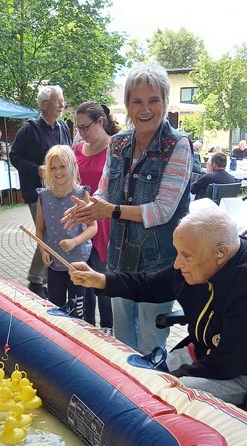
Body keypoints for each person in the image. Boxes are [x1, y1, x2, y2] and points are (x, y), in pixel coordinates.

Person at [71, 206, 247, 405]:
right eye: (177, 253)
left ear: (221, 253)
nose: (177, 264)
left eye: (186, 256)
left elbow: (228, 363)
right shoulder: (202, 260)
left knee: (162, 395)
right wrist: (100, 279)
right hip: (205, 355)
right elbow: (150, 284)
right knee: (137, 376)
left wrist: (169, 378)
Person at [62, 65, 193, 354]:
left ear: (165, 102)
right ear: (127, 105)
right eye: (137, 101)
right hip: (119, 258)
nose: (145, 109)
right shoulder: (118, 143)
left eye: (153, 100)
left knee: (149, 342)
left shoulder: (178, 145)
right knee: (121, 341)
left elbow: (162, 211)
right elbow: (104, 190)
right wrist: (91, 205)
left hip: (158, 265)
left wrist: (109, 210)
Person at [9, 85, 72, 297]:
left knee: (53, 232)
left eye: (62, 100)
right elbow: (14, 157)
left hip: (61, 191)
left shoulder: (63, 128)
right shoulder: (29, 130)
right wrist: (37, 169)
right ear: (45, 105)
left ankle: (42, 277)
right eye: (58, 101)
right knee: (48, 233)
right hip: (37, 193)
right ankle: (37, 279)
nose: (62, 104)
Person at [35, 145, 97, 317]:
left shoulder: (81, 193)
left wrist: (75, 241)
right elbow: (40, 230)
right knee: (57, 311)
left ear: (72, 166)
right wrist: (43, 250)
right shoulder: (43, 197)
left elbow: (93, 227)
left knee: (81, 311)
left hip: (79, 263)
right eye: (53, 168)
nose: (58, 172)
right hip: (55, 265)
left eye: (62, 166)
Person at [73, 101, 118, 331]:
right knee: (84, 281)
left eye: (85, 127)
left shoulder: (115, 148)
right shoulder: (76, 149)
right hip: (81, 225)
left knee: (103, 281)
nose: (81, 133)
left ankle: (109, 330)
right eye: (78, 128)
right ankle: (88, 329)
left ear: (100, 122)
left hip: (105, 225)